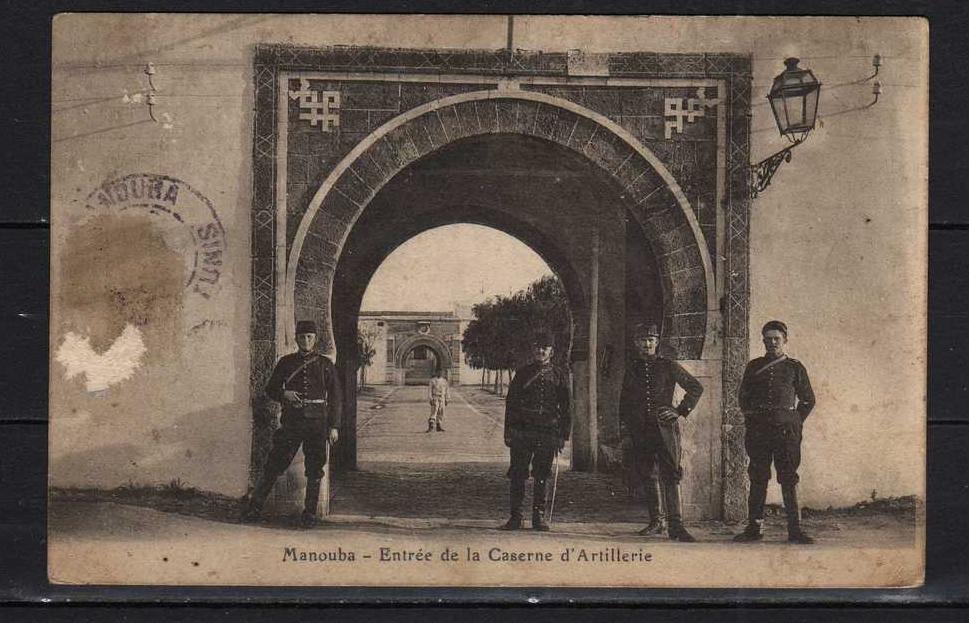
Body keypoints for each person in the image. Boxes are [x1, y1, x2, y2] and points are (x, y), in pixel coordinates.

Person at [241, 320, 343, 527]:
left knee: (315, 468)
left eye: (310, 337)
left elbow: (336, 397)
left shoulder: (325, 364)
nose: (306, 341)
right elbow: (270, 389)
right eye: (302, 337)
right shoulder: (286, 362)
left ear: (315, 339)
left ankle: (310, 513)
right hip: (292, 422)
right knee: (275, 463)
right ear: (296, 338)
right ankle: (255, 506)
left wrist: (333, 426)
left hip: (317, 424)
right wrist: (284, 394)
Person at [733, 320, 816, 544]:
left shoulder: (795, 367)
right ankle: (754, 528)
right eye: (767, 339)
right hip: (759, 432)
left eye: (776, 339)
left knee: (788, 478)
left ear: (785, 340)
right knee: (758, 477)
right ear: (763, 341)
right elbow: (743, 398)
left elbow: (808, 400)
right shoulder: (753, 366)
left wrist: (794, 421)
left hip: (786, 433)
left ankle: (795, 530)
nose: (772, 343)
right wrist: (753, 418)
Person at [620, 323, 704, 542]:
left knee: (671, 474)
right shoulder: (633, 369)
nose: (647, 344)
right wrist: (626, 431)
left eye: (651, 339)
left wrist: (679, 411)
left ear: (657, 342)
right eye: (642, 340)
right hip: (641, 430)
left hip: (665, 430)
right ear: (636, 343)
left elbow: (695, 387)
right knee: (648, 473)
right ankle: (656, 521)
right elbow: (624, 403)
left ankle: (676, 526)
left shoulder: (668, 366)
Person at [500, 331, 571, 531]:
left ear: (552, 351)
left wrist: (563, 435)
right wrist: (509, 431)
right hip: (523, 432)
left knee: (542, 473)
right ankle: (516, 517)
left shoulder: (558, 375)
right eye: (537, 347)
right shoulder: (523, 373)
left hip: (547, 432)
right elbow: (511, 403)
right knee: (517, 473)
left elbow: (566, 407)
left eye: (545, 348)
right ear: (533, 350)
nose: (540, 351)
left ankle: (538, 517)